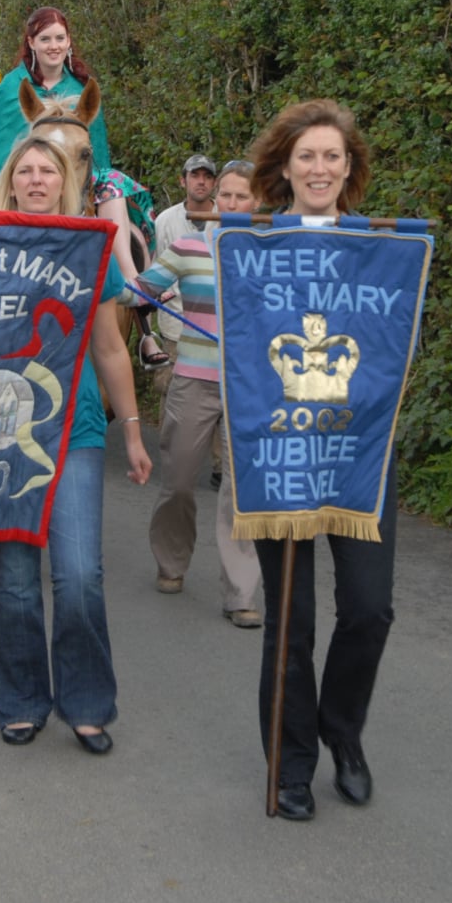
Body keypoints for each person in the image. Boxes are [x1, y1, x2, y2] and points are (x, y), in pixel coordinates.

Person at [243, 101, 397, 822]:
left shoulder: (380, 246)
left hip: (361, 450)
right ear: (283, 166)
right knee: (292, 620)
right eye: (307, 156)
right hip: (280, 453)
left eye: (332, 156)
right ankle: (291, 760)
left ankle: (344, 731)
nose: (320, 168)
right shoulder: (252, 241)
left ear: (349, 168)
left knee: (369, 610)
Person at [0, 135, 151, 753]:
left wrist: (131, 429)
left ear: (63, 181)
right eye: (24, 169)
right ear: (11, 180)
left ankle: (86, 702)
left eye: (45, 171)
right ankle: (23, 699)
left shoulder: (91, 248)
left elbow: (110, 347)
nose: (35, 180)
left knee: (80, 573)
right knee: (17, 578)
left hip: (75, 427)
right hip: (0, 430)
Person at [0, 8, 149, 339]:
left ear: (69, 43)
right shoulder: (12, 89)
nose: (53, 45)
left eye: (59, 38)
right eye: (45, 39)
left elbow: (94, 147)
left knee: (112, 183)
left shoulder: (82, 88)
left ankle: (130, 284)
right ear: (31, 43)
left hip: (79, 180)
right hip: (27, 183)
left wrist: (88, 175)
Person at [123, 159, 263, 625]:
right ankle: (171, 561)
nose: (232, 203)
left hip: (250, 386)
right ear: (215, 199)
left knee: (241, 494)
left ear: (258, 201)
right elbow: (138, 291)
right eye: (226, 195)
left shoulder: (274, 253)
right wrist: (127, 284)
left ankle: (241, 594)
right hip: (194, 380)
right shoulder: (186, 246)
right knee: (179, 482)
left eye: (243, 196)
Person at [140, 153, 220, 395]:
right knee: (172, 395)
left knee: (214, 399)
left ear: (214, 183)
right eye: (194, 175)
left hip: (217, 330)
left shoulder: (227, 219)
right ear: (182, 181)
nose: (201, 181)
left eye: (207, 176)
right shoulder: (164, 221)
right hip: (175, 328)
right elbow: (154, 275)